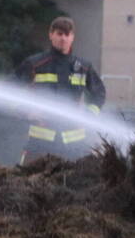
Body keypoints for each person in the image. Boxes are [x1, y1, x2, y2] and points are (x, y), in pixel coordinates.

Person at [14, 16, 105, 165]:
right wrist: (26, 112)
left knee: (80, 184)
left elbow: (99, 92)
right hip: (40, 143)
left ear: (72, 37)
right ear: (51, 35)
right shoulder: (35, 64)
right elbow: (7, 90)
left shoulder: (83, 67)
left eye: (67, 34)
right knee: (28, 183)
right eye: (59, 34)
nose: (63, 38)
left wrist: (89, 113)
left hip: (75, 145)